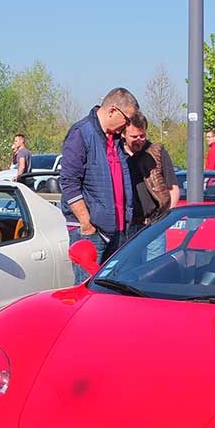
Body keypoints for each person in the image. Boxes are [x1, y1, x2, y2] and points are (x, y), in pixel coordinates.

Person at [59, 87, 139, 283]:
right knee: (88, 293)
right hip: (92, 233)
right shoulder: (81, 133)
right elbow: (69, 181)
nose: (128, 125)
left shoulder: (116, 140)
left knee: (113, 292)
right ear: (112, 110)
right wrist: (86, 222)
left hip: (118, 231)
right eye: (127, 119)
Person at [123, 112, 179, 231]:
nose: (139, 140)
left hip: (154, 223)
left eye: (142, 136)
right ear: (123, 134)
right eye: (134, 137)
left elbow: (173, 189)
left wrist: (166, 220)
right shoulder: (116, 155)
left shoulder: (156, 152)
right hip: (127, 225)